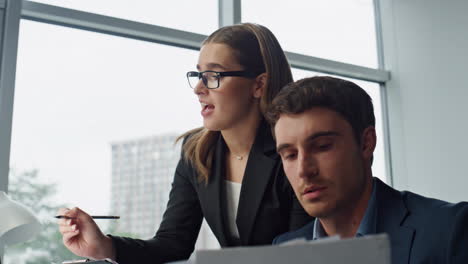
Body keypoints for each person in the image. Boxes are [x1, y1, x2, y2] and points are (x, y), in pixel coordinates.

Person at [57, 23, 312, 264]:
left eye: (213, 75)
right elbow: (172, 244)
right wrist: (104, 246)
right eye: (199, 75)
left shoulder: (293, 152)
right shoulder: (197, 151)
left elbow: (302, 250)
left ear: (259, 85)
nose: (199, 88)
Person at [266, 76, 468, 264]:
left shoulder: (450, 229)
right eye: (290, 155)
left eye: (322, 147)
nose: (303, 170)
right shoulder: (285, 250)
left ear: (366, 143)